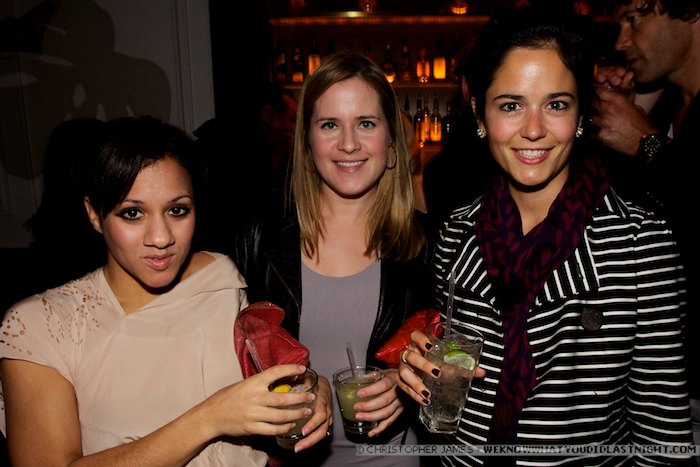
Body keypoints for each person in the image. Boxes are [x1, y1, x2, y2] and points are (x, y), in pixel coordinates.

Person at [397, 7, 693, 466]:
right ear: (479, 113)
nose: (533, 130)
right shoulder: (456, 232)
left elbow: (662, 441)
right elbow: (446, 386)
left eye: (556, 104)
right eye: (511, 105)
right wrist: (416, 365)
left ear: (581, 114)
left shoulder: (640, 244)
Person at [0, 115, 332, 466]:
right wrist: (209, 419)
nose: (161, 238)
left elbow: (262, 392)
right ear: (94, 214)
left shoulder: (218, 279)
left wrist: (309, 391)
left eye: (177, 210)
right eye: (132, 213)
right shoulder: (39, 326)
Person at [232, 50, 433, 466]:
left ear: (391, 138)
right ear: (307, 141)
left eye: (366, 123)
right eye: (329, 125)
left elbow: (456, 357)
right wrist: (298, 385)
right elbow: (227, 364)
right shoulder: (259, 240)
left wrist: (408, 382)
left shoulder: (429, 243)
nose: (348, 143)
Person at [591, 1, 699, 453]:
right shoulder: (672, 103)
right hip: (659, 376)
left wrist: (647, 145)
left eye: (634, 18)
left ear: (689, 10)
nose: (622, 40)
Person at [194, 82, 298, 253]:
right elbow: (245, 212)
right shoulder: (230, 149)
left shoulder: (263, 150)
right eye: (291, 118)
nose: (295, 128)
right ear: (268, 115)